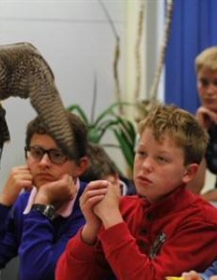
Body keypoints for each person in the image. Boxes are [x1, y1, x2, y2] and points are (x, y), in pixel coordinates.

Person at [56, 104, 217, 280]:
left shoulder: (203, 221)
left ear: (189, 173)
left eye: (161, 159)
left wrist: (112, 219)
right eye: (141, 153)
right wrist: (90, 230)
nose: (145, 165)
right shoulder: (125, 207)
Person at [0, 111, 89, 280]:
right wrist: (3, 204)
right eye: (36, 152)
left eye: (57, 155)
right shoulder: (23, 204)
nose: (43, 163)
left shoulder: (91, 208)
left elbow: (38, 276)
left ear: (80, 166)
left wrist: (41, 205)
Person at [186, 47, 217, 200]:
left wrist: (203, 200)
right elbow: (193, 188)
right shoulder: (203, 120)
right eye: (204, 83)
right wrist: (199, 133)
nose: (209, 91)